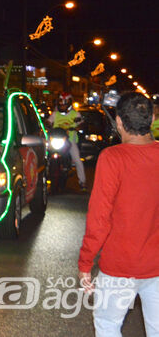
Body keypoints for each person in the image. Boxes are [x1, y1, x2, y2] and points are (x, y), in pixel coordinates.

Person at [78, 92, 159, 336]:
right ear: (152, 119)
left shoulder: (112, 158)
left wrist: (86, 261)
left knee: (108, 325)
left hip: (118, 267)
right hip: (157, 265)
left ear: (119, 122)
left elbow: (99, 217)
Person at [48, 92, 87, 190]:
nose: (62, 105)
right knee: (43, 155)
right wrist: (47, 125)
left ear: (69, 103)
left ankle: (82, 182)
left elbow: (81, 123)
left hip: (70, 140)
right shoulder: (55, 114)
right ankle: (42, 177)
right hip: (55, 139)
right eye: (61, 103)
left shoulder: (75, 114)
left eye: (64, 103)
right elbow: (48, 122)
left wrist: (78, 126)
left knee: (77, 160)